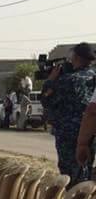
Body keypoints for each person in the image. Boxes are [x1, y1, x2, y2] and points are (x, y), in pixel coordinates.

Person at [41, 43, 96, 184]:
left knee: (70, 174)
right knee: (86, 169)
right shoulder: (93, 77)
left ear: (76, 57)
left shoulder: (68, 80)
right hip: (90, 132)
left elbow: (46, 100)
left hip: (68, 133)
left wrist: (50, 81)